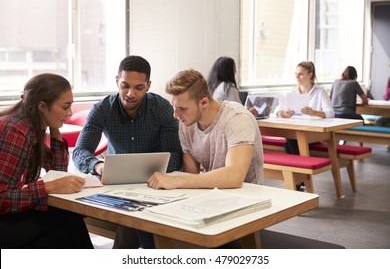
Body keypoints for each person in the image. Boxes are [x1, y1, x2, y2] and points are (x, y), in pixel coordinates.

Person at [72, 55, 183, 249]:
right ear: (117, 81)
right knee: (131, 216)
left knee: (132, 217)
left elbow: (174, 154)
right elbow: (80, 151)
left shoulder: (162, 108)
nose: (130, 93)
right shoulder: (103, 109)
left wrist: (155, 171)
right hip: (116, 187)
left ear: (148, 85)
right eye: (125, 85)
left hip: (155, 186)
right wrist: (97, 165)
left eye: (138, 88)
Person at [0, 73, 93, 249]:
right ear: (42, 106)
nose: (70, 112)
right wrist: (48, 187)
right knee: (68, 218)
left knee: (57, 237)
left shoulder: (31, 126)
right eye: (65, 107)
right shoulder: (15, 132)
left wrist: (55, 128)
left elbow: (57, 171)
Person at [148, 68, 263, 191]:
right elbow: (190, 176)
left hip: (247, 196)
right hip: (211, 193)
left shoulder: (237, 118)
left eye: (182, 108)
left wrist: (176, 180)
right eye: (174, 107)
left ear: (203, 102)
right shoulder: (186, 123)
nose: (175, 115)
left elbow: (235, 176)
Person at [274, 61, 335, 155]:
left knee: (290, 142)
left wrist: (314, 112)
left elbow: (330, 113)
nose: (297, 77)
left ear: (310, 75)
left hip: (313, 133)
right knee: (290, 141)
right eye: (296, 74)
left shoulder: (320, 92)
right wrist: (282, 114)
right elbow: (277, 109)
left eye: (300, 74)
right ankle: (298, 167)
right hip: (297, 131)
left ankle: (297, 168)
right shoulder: (292, 91)